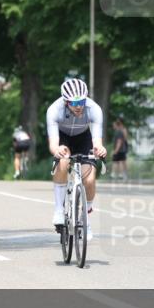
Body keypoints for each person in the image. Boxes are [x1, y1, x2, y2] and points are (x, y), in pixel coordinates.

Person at [47, 78, 107, 237]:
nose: (79, 106)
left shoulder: (94, 109)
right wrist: (57, 150)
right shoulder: (54, 110)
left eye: (81, 101)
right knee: (63, 159)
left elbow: (96, 140)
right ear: (66, 102)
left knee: (89, 179)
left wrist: (99, 148)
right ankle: (59, 210)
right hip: (63, 137)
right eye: (74, 103)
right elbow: (53, 143)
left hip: (84, 138)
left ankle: (84, 217)